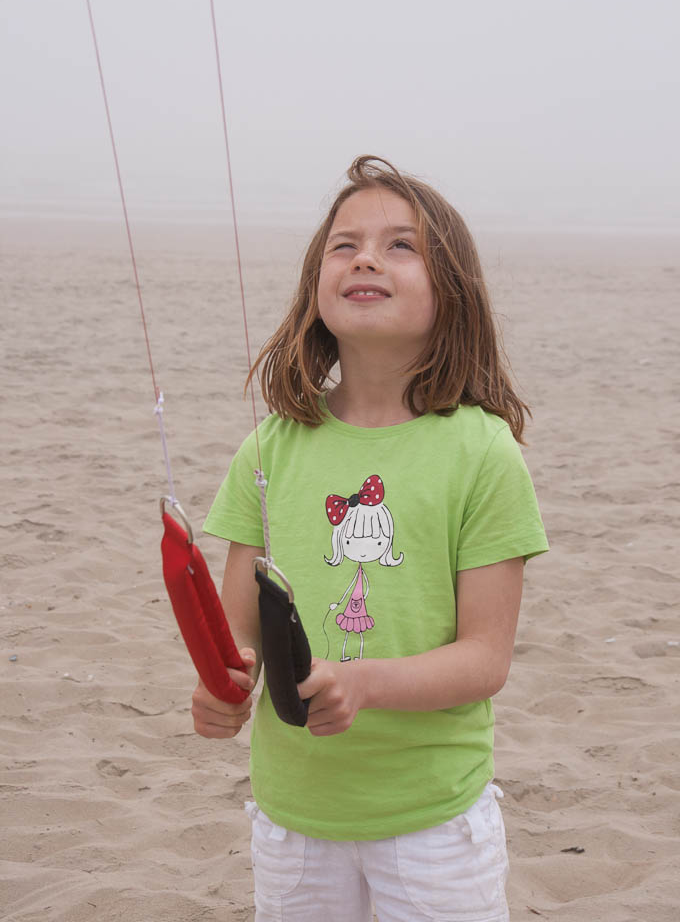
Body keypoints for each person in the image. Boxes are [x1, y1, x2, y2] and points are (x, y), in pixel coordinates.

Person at [192, 156, 548, 922]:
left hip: (432, 821)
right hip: (293, 817)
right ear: (314, 286)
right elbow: (238, 635)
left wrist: (363, 682)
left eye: (400, 246)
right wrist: (223, 687)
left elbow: (484, 659)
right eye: (344, 245)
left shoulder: (482, 452)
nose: (364, 259)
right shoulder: (268, 448)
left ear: (451, 292)